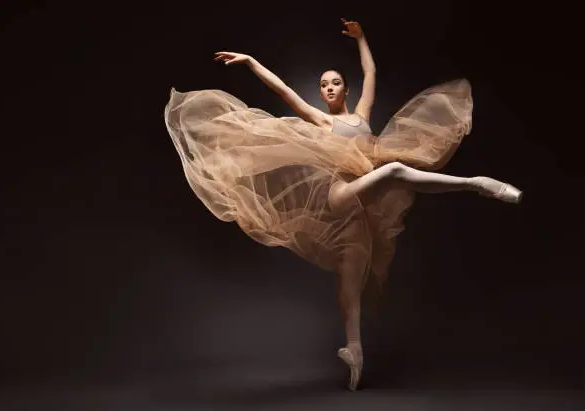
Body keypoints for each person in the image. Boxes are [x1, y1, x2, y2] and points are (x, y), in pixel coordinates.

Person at [164, 18, 522, 391]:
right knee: (396, 170)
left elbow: (371, 71)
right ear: (320, 93)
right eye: (323, 85)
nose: (329, 88)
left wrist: (361, 37)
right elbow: (285, 91)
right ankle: (479, 184)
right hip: (339, 195)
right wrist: (252, 61)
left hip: (362, 209)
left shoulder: (361, 116)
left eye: (335, 82)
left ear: (345, 89)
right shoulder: (321, 121)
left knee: (352, 281)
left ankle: (354, 353)